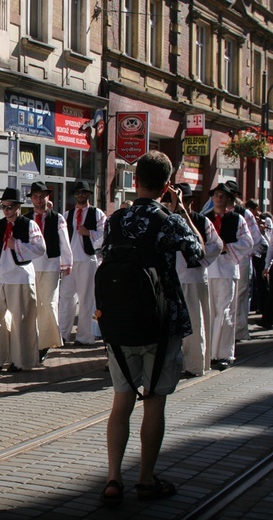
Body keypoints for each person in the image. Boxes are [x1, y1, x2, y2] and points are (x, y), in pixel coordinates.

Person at [99, 151, 204, 507]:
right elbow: (198, 254)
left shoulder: (115, 219)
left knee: (121, 402)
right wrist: (182, 210)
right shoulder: (168, 220)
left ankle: (113, 479)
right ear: (166, 184)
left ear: (136, 180)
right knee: (154, 401)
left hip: (120, 321)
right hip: (162, 321)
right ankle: (145, 479)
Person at [0, 187, 46, 372]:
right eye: (3, 206)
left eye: (9, 206)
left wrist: (19, 246)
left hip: (21, 277)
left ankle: (20, 361)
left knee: (21, 320)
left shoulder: (30, 225)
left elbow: (40, 248)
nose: (6, 210)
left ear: (18, 207)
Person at [173, 183, 223, 378]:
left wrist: (199, 259)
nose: (178, 204)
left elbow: (216, 245)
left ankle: (194, 364)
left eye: (182, 200)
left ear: (190, 201)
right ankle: (172, 364)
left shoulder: (201, 221)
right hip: (172, 278)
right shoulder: (167, 219)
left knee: (195, 323)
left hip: (193, 278)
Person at [205, 183, 253, 370]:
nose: (218, 199)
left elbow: (247, 241)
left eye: (222, 196)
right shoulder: (205, 219)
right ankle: (209, 352)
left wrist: (227, 247)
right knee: (210, 311)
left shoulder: (237, 219)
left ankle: (224, 353)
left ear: (228, 200)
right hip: (209, 269)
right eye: (216, 195)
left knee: (225, 312)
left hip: (226, 268)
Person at [23, 182, 72, 363]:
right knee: (33, 305)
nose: (39, 199)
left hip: (51, 264)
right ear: (31, 199)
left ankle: (46, 342)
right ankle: (33, 341)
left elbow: (64, 241)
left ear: (47, 197)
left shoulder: (57, 218)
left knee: (49, 304)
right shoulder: (26, 219)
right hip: (31, 266)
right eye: (35, 196)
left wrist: (67, 262)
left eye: (42, 196)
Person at [59, 180, 106, 346]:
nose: (80, 195)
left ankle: (85, 336)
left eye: (83, 192)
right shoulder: (67, 215)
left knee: (87, 299)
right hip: (70, 261)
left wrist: (89, 233)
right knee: (65, 298)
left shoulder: (97, 213)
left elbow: (104, 235)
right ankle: (62, 335)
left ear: (88, 195)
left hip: (87, 259)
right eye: (78, 192)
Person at [224, 181, 264, 341]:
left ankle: (239, 330)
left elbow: (256, 239)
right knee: (226, 297)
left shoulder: (244, 214)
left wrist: (243, 254)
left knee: (239, 297)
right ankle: (226, 331)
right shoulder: (215, 212)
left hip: (240, 260)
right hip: (224, 261)